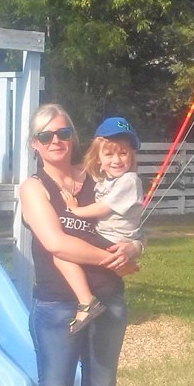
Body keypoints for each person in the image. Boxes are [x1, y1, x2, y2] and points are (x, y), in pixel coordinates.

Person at [19, 104, 143, 386]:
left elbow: (128, 225)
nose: (55, 140)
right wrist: (112, 259)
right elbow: (57, 244)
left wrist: (133, 248)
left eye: (63, 132)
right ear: (35, 143)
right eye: (46, 135)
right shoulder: (34, 187)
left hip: (109, 300)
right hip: (58, 307)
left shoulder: (99, 179)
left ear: (73, 137)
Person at [54, 116, 145, 336]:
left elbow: (103, 208)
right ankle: (88, 299)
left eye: (123, 153)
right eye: (109, 154)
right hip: (108, 238)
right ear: (99, 158)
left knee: (62, 252)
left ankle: (87, 302)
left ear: (132, 155)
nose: (116, 160)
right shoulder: (106, 181)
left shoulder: (129, 180)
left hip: (113, 240)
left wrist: (75, 210)